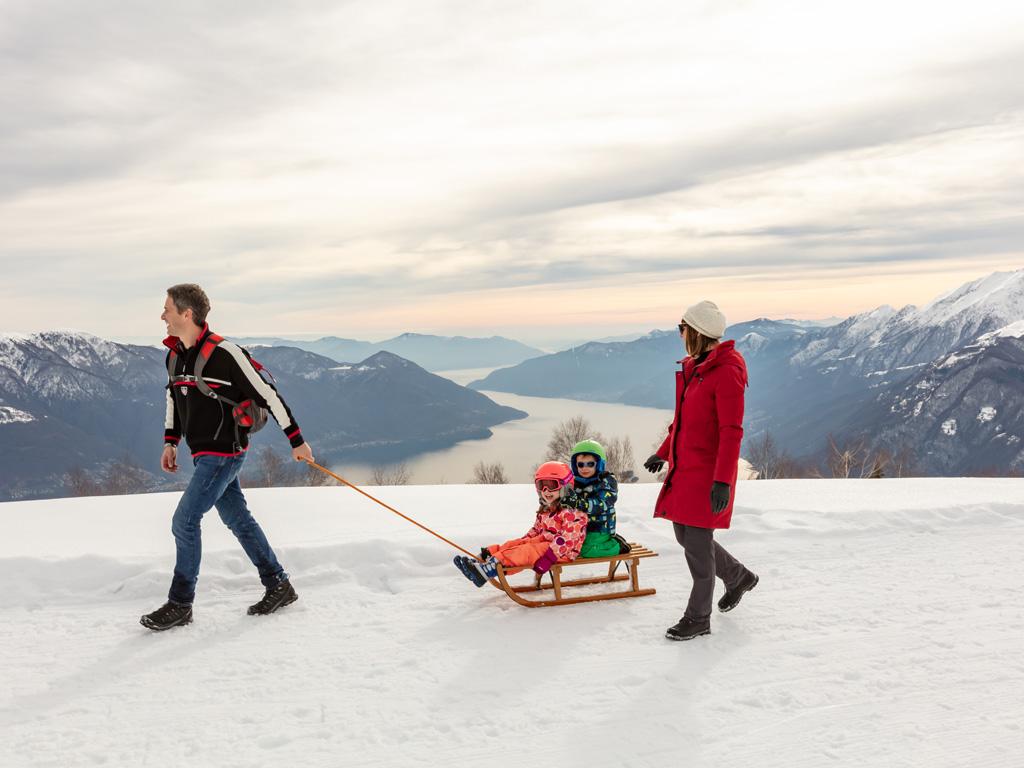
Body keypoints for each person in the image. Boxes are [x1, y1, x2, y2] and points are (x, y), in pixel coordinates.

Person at [140, 283, 314, 631]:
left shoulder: (226, 354)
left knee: (184, 521)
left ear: (187, 314)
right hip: (203, 454)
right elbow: (174, 398)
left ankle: (180, 603)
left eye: (167, 310)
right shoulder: (174, 356)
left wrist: (297, 441)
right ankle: (278, 584)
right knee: (239, 520)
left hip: (225, 454)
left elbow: (268, 395)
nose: (162, 315)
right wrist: (170, 442)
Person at [644, 300, 759, 641]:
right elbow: (684, 422)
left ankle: (699, 617)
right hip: (686, 468)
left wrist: (722, 481)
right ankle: (737, 576)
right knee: (685, 533)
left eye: (682, 328)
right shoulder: (697, 367)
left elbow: (731, 431)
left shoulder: (726, 371)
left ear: (695, 332)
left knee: (696, 543)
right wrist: (663, 452)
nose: (679, 334)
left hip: (708, 474)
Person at [454, 462, 589, 586]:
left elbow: (567, 541)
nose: (546, 490)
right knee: (515, 545)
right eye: (541, 485)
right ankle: (484, 560)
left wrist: (548, 559)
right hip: (546, 545)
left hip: (562, 553)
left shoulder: (574, 513)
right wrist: (523, 540)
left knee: (525, 552)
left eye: (552, 485)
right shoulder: (547, 509)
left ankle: (487, 570)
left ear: (566, 486)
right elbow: (536, 530)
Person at [564, 439, 629, 558]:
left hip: (599, 528)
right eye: (580, 464)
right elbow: (565, 498)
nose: (584, 468)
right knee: (566, 546)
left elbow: (602, 504)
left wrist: (578, 503)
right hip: (578, 528)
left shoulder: (607, 481)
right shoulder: (575, 482)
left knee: (585, 550)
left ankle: (616, 546)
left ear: (599, 464)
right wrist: (553, 501)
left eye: (590, 464)